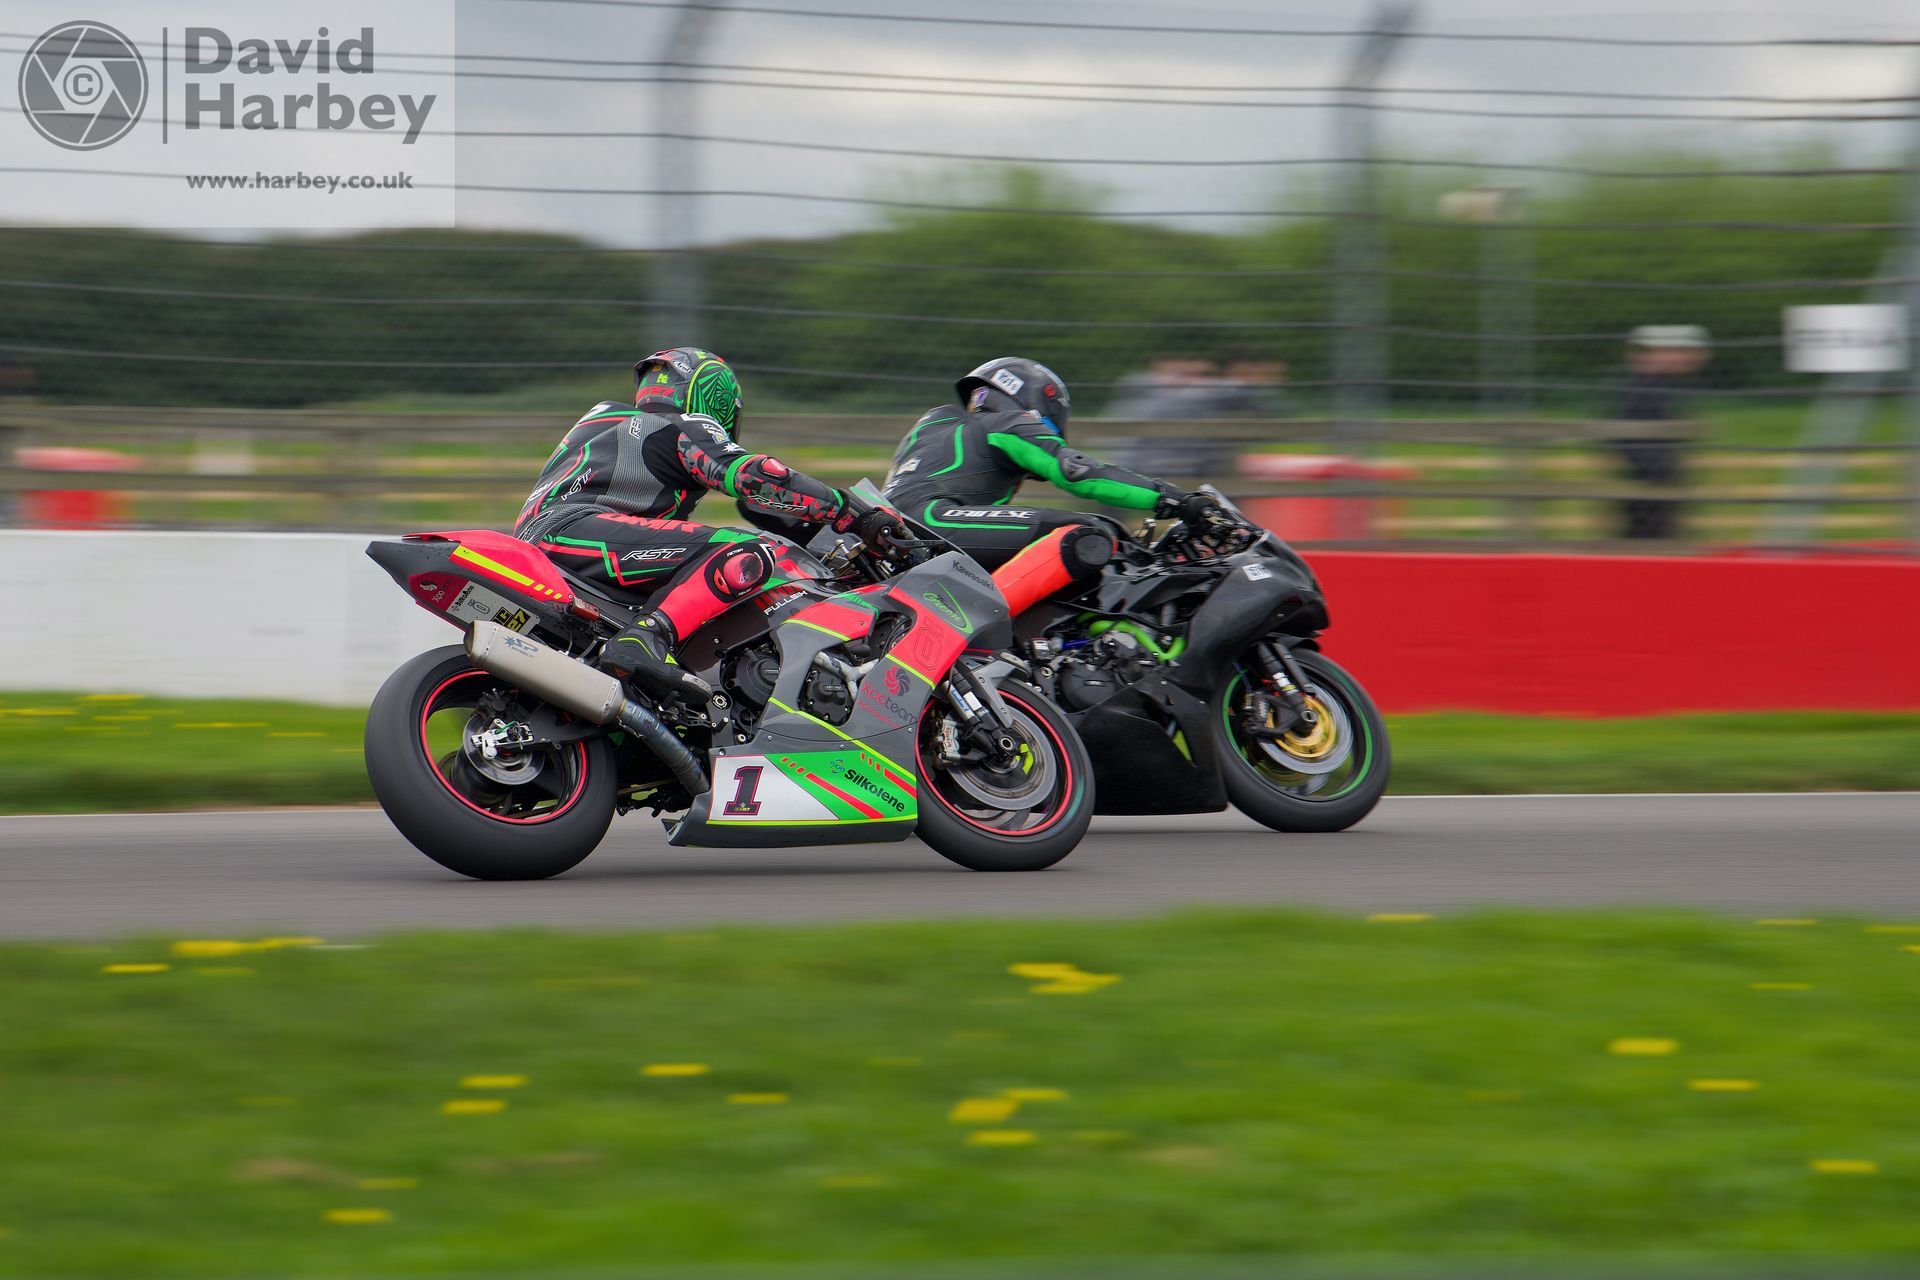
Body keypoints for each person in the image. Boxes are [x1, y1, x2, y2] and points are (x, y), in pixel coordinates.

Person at [514, 347, 891, 702]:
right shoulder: (677, 423)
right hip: (574, 531)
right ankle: (645, 640)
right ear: (714, 395)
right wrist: (852, 512)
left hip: (548, 541)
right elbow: (756, 477)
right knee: (748, 550)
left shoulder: (611, 423)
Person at [883, 356, 1217, 614]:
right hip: (933, 520)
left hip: (884, 524)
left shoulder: (935, 421)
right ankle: (982, 621)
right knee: (1086, 533)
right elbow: (1079, 473)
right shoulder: (1007, 422)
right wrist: (1176, 500)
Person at [1613, 325, 1709, 540]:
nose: (1690, 358)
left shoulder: (1657, 386)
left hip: (1652, 479)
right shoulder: (1644, 388)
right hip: (1650, 479)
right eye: (1680, 351)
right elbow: (1629, 438)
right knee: (1648, 536)